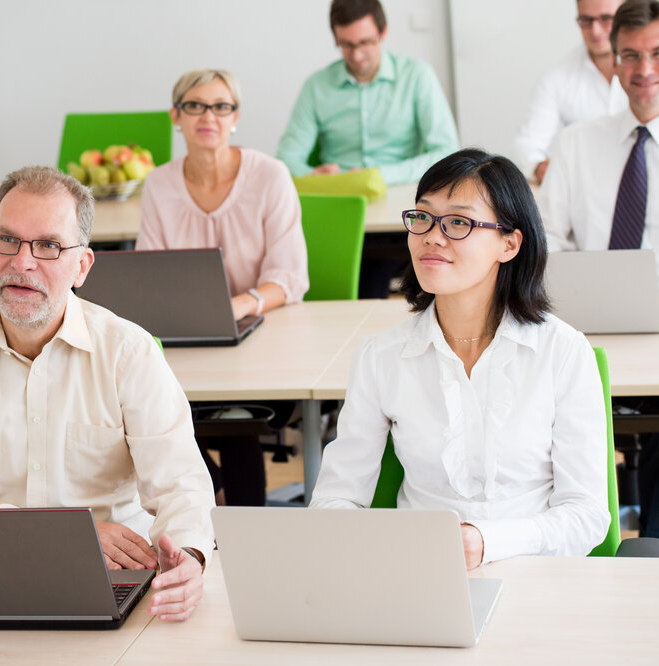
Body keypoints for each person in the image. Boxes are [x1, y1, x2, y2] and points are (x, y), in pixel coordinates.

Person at [0, 165, 214, 622]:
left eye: (48, 246)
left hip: (118, 577)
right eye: (6, 240)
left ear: (81, 266)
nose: (22, 262)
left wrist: (189, 557)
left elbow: (181, 483)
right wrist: (72, 535)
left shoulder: (128, 352)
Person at [311, 149, 610, 568]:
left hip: (538, 571)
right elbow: (334, 499)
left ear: (509, 243)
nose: (432, 236)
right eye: (423, 217)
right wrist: (383, 548)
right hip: (418, 572)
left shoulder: (562, 352)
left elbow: (587, 516)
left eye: (458, 222)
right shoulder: (381, 357)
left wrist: (486, 542)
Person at [137, 68, 308, 506]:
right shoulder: (158, 184)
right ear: (177, 115)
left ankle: (243, 522)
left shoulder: (270, 176)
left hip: (260, 334)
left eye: (220, 106)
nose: (207, 116)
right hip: (187, 338)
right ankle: (216, 498)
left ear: (235, 117)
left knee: (235, 418)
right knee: (142, 408)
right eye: (195, 105)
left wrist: (240, 305)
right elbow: (150, 275)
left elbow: (290, 277)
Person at [541, 0, 659, 538]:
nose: (644, 71)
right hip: (585, 336)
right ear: (612, 62)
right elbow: (542, 247)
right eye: (630, 55)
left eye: (657, 54)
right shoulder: (574, 145)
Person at [276, 0, 459, 186]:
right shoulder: (316, 86)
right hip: (340, 194)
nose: (357, 55)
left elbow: (446, 151)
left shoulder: (417, 75)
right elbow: (286, 158)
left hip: (401, 191)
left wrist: (380, 176)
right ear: (335, 38)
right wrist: (313, 175)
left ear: (383, 32)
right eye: (346, 44)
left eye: (365, 42)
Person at [515, 0, 627, 184]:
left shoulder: (647, 71)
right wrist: (538, 167)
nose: (595, 30)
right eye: (586, 20)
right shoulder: (559, 75)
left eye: (606, 19)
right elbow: (526, 144)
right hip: (587, 186)